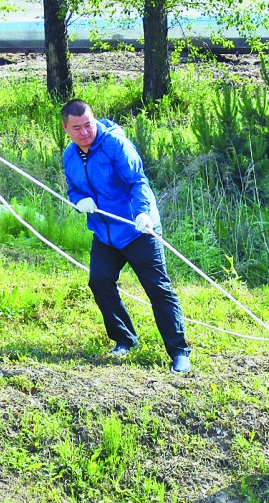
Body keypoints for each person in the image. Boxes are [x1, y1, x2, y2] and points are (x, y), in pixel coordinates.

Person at [60, 99, 192, 374]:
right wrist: (78, 200)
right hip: (104, 233)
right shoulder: (69, 156)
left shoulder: (116, 145)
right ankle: (124, 339)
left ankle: (179, 351)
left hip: (138, 229)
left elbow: (138, 182)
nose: (85, 132)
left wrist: (143, 214)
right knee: (99, 281)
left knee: (157, 289)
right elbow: (73, 188)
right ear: (66, 129)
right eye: (77, 128)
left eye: (88, 124)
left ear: (94, 120)